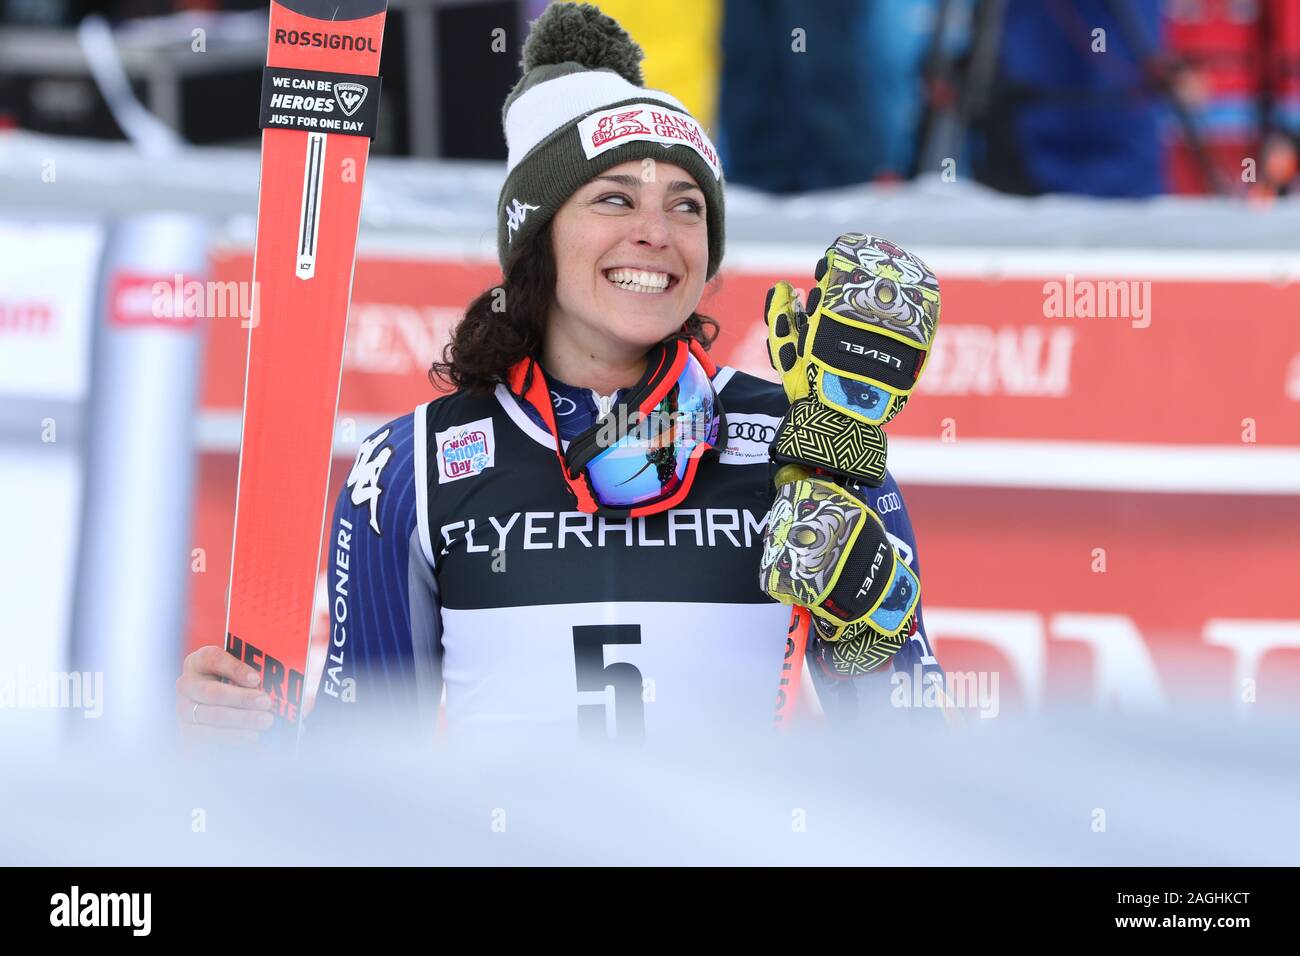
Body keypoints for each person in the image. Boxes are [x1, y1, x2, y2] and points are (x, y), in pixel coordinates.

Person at [175, 2, 943, 748]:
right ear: (536, 236)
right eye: (615, 199)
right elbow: (362, 788)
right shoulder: (410, 469)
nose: (655, 233)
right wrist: (252, 747)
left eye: (687, 208)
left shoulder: (805, 445)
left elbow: (922, 772)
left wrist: (866, 631)